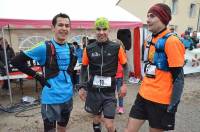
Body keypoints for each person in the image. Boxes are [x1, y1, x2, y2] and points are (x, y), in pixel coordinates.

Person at [11, 13, 77, 132]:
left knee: (62, 128)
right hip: (51, 99)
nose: (64, 28)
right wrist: (37, 76)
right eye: (60, 25)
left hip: (68, 97)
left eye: (67, 26)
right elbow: (16, 61)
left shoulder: (72, 48)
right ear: (53, 28)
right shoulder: (43, 47)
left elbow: (70, 70)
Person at [125, 3, 185, 132]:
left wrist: (172, 109)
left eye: (152, 16)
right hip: (143, 95)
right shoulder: (150, 38)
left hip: (160, 101)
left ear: (163, 18)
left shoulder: (172, 41)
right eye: (147, 16)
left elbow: (179, 80)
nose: (147, 20)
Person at [78, 17, 128, 132]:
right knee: (96, 119)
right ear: (95, 31)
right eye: (98, 29)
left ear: (108, 30)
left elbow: (125, 66)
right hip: (94, 91)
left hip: (109, 93)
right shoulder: (89, 48)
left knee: (109, 124)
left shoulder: (116, 47)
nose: (101, 32)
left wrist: (124, 84)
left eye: (104, 29)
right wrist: (81, 86)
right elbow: (84, 69)